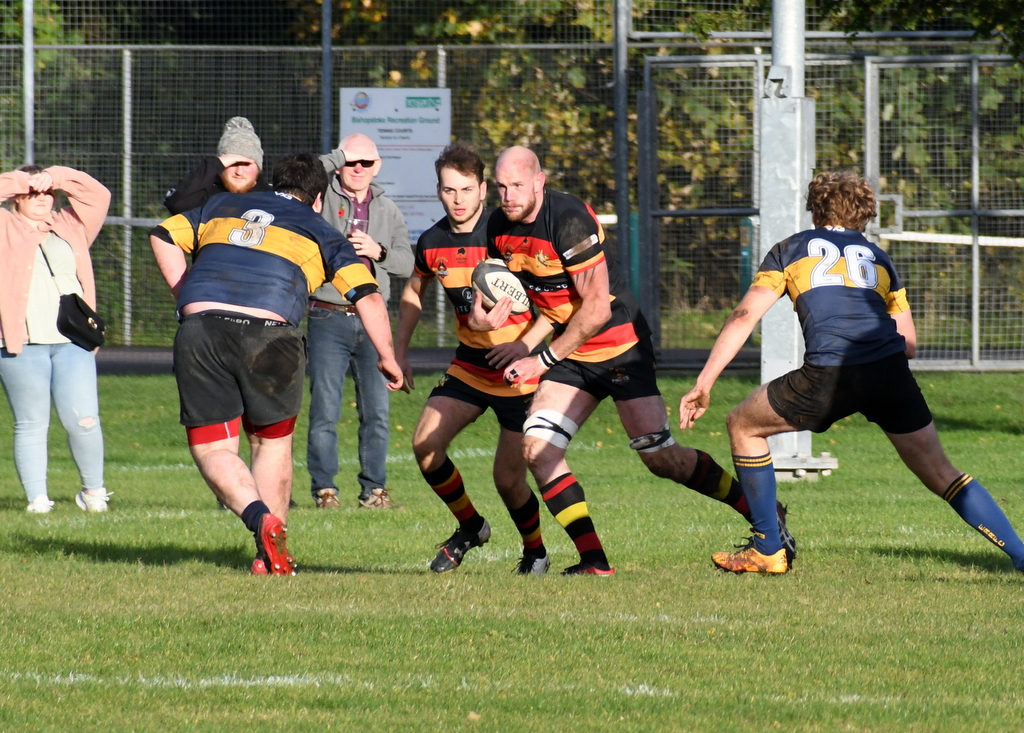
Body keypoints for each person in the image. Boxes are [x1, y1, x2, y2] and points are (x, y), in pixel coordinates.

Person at [679, 170, 1024, 575]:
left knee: (743, 424)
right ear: (865, 214)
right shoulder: (879, 258)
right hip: (889, 370)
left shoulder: (790, 249)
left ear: (815, 210)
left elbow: (744, 316)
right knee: (941, 472)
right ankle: (1021, 555)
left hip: (831, 370)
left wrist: (704, 383)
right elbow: (909, 343)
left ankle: (768, 548)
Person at [489, 146, 794, 575]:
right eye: (501, 186)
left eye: (517, 185)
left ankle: (764, 514)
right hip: (573, 354)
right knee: (537, 450)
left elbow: (596, 309)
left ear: (539, 181)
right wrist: (518, 337)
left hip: (620, 349)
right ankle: (594, 561)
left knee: (661, 459)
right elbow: (549, 301)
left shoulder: (569, 220)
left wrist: (540, 359)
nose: (508, 195)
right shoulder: (499, 227)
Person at [149, 153, 403, 575]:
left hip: (203, 330)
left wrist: (186, 296)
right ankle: (270, 552)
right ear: (318, 198)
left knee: (214, 448)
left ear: (273, 183)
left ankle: (258, 519)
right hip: (272, 334)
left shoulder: (222, 204)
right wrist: (389, 358)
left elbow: (162, 234)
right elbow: (368, 297)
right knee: (272, 444)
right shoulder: (323, 231)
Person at [395, 142, 554, 575]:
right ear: (439, 191)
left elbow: (553, 301)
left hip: (519, 370)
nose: (458, 199)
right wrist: (399, 351)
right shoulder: (432, 242)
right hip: (471, 364)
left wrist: (532, 347)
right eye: (449, 190)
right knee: (425, 445)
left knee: (507, 479)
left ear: (483, 190)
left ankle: (536, 552)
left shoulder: (507, 234)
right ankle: (471, 526)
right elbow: (413, 292)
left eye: (467, 189)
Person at [306, 133, 414, 509]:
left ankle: (374, 491)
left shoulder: (388, 209)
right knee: (325, 409)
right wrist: (338, 155)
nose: (357, 168)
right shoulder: (321, 197)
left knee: (377, 412)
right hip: (327, 313)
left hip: (374, 321)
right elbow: (303, 175)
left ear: (377, 166)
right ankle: (325, 491)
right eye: (350, 161)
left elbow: (407, 263)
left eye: (365, 162)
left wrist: (377, 251)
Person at [0, 164, 112, 514]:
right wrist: (23, 180)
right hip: (22, 342)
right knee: (32, 423)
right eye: (32, 194)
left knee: (84, 420)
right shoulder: (4, 226)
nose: (41, 198)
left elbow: (99, 195)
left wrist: (57, 177)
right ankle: (38, 500)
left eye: (47, 193)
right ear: (16, 198)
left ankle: (94, 493)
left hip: (73, 341)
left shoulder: (70, 225)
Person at [163, 116, 270, 215]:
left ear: (258, 167)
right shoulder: (204, 195)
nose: (239, 172)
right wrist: (214, 164)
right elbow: (177, 205)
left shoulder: (273, 198)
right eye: (232, 163)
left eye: (246, 164)